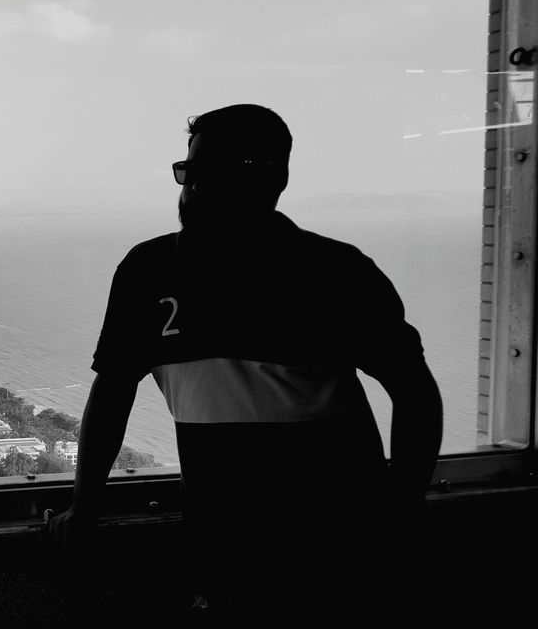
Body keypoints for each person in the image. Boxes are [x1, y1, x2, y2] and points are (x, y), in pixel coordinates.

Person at [45, 104, 443, 615]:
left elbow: (414, 389)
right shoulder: (148, 270)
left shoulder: (336, 272)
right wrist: (85, 507)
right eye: (188, 170)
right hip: (219, 545)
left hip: (343, 547)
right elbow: (114, 388)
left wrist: (400, 509)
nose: (191, 187)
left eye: (213, 170)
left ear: (275, 179)